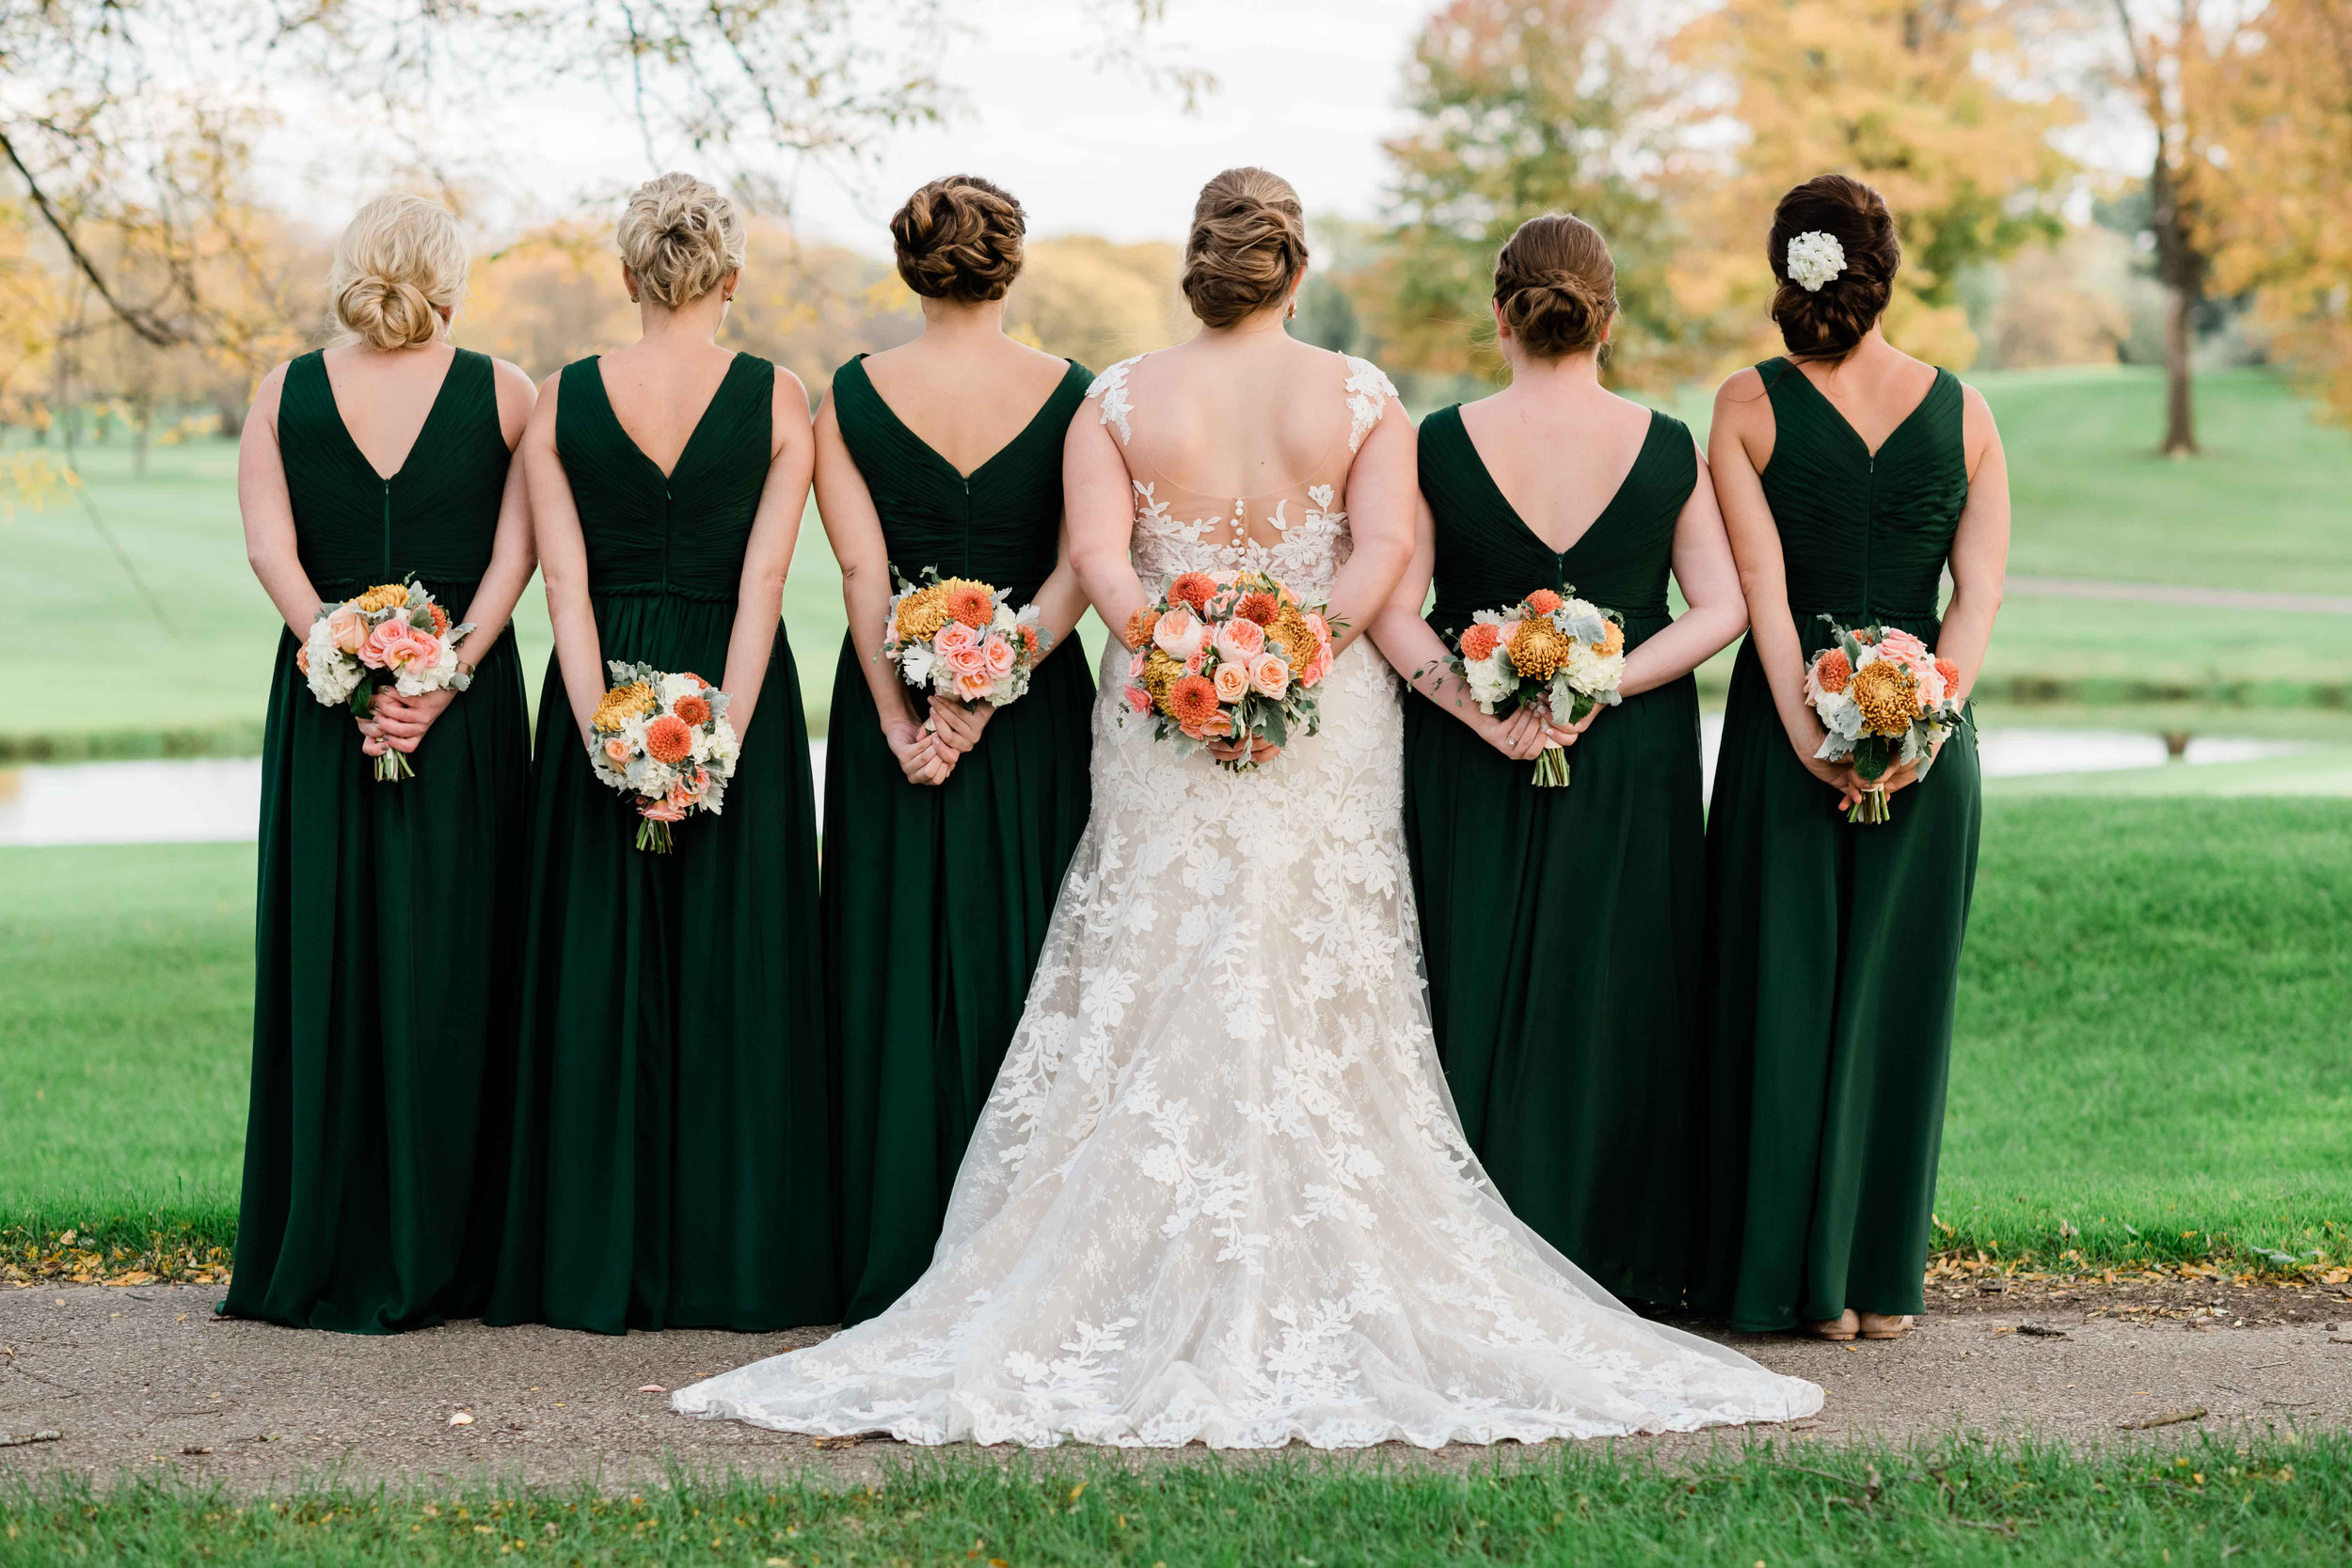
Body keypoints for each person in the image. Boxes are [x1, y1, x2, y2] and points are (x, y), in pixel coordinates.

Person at [671, 168, 1820, 1446]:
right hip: (1321, 719)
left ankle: (1113, 1269)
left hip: (1162, 721)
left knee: (1157, 963)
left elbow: (1102, 564)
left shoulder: (1117, 397)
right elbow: (1381, 561)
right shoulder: (1364, 400)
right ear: (1296, 268)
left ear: (1195, 269)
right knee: (1321, 986)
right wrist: (1293, 652)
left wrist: (1184, 663)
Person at [1375, 213, 1747, 1306]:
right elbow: (1714, 607)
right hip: (1625, 755)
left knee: (1468, 974)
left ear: (1501, 315)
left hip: (1467, 751)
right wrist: (1604, 682)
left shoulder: (1436, 438)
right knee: (1619, 984)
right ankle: (1618, 1253)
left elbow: (1397, 616)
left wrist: (1481, 709)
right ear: (1606, 318)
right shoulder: (1667, 442)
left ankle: (1467, 1250)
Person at [486, 172, 834, 1333]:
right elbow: (766, 582)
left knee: (600, 971)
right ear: (729, 281)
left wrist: (605, 733)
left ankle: (592, 1262)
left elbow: (566, 588)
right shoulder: (783, 399)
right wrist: (717, 735)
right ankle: (738, 1265)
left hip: (608, 682)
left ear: (627, 277)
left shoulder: (557, 398)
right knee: (739, 965)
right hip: (738, 693)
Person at [1695, 173, 2010, 1342]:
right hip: (1930, 750)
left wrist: (1808, 729)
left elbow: (1764, 593)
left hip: (1789, 744)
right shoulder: (1969, 410)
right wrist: (1921, 720)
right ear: (1886, 268)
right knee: (1897, 1006)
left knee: (1782, 993)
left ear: (1791, 267)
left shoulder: (1743, 404)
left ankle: (1790, 1283)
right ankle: (1879, 1286)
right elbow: (1973, 599)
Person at [224, 194, 536, 1332]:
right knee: (462, 956)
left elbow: (272, 547)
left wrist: (344, 658)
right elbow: (520, 553)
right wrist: (440, 672)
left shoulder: (281, 390)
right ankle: (458, 1250)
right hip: (464, 708)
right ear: (451, 270)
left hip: (325, 713)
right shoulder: (508, 392)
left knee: (335, 953)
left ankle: (330, 1241)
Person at [819, 175, 1097, 1324]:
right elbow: (1084, 562)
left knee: (888, 958)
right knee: (1030, 953)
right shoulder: (1075, 393)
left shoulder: (850, 392)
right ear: (1011, 264)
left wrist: (906, 716)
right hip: (1031, 713)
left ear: (908, 266)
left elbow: (858, 574)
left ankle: (889, 1240)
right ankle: (1027, 1244)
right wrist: (992, 685)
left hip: (893, 703)